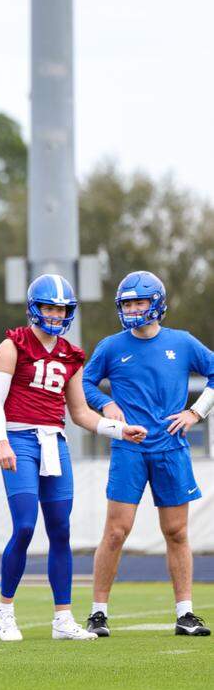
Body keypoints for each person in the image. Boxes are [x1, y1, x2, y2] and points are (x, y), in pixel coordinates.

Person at [0, 274, 146, 642]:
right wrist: (1, 442)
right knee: (25, 526)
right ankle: (5, 611)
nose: (56, 315)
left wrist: (119, 430)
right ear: (34, 308)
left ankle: (62, 618)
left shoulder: (70, 355)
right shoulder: (12, 346)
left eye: (61, 309)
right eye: (49, 307)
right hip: (19, 438)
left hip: (53, 441)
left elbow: (80, 413)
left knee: (61, 530)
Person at [82, 271, 212, 637]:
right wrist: (106, 404)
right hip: (129, 448)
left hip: (171, 448)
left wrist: (195, 412)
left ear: (156, 303)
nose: (133, 309)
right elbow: (86, 383)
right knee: (115, 532)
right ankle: (98, 613)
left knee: (176, 532)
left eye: (139, 302)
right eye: (127, 303)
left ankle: (185, 614)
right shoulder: (110, 346)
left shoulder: (183, 342)